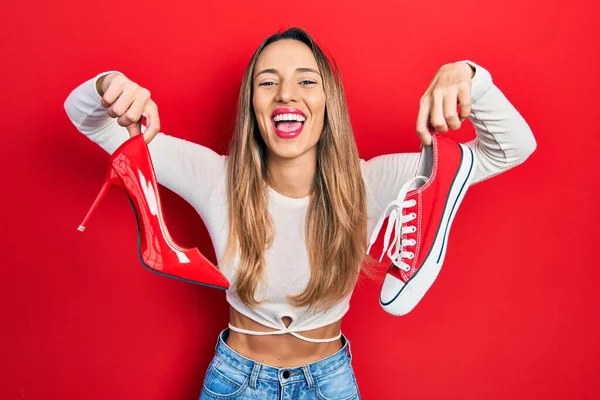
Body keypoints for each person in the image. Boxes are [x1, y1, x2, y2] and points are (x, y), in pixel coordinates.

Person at [64, 27, 537, 400]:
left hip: (329, 384)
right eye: (267, 82)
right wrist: (110, 86)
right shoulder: (216, 178)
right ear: (253, 103)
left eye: (306, 81)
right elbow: (88, 120)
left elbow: (511, 149)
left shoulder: (372, 182)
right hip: (235, 383)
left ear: (327, 101)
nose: (286, 94)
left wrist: (471, 76)